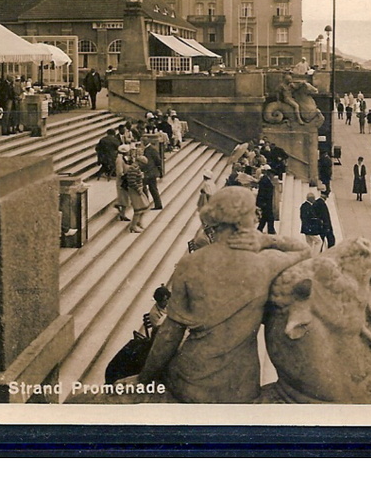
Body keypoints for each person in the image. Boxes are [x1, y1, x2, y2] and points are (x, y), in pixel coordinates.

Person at [137, 186, 309, 402]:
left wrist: (144, 379)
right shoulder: (265, 263)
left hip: (191, 378)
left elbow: (170, 334)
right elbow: (303, 250)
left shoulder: (189, 264)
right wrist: (267, 240)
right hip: (241, 384)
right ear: (242, 220)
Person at [121, 149, 149, 233]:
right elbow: (132, 181)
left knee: (144, 205)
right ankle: (133, 226)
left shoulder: (136, 167)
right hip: (135, 190)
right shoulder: (133, 168)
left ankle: (139, 222)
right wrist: (138, 189)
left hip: (138, 189)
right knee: (138, 209)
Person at [140, 136, 164, 210]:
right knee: (152, 189)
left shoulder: (150, 150)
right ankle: (156, 204)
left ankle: (147, 203)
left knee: (149, 188)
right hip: (151, 172)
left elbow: (157, 160)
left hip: (150, 173)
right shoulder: (149, 149)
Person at [255, 166, 277, 234]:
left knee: (265, 217)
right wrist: (262, 203)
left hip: (266, 202)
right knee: (270, 217)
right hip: (265, 202)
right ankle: (271, 231)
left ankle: (260, 229)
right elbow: (262, 192)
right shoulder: (265, 180)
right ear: (270, 174)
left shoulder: (266, 179)